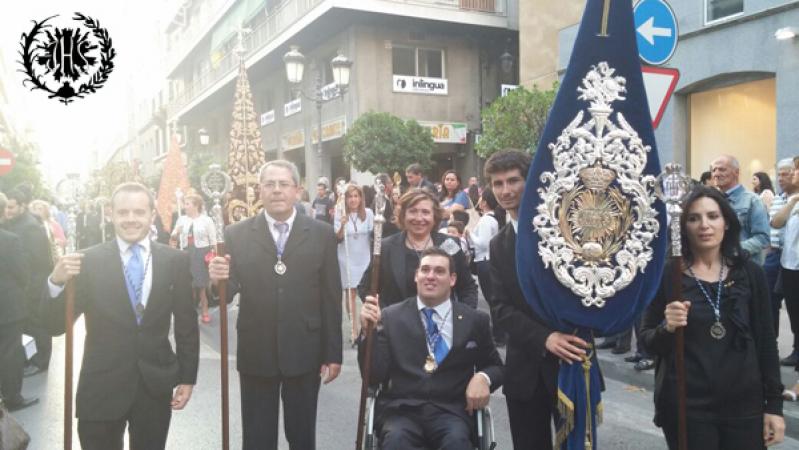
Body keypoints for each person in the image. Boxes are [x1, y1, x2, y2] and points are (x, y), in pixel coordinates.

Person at [41, 182, 199, 450]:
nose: (131, 219)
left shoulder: (176, 261)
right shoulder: (87, 261)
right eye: (123, 212)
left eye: (139, 212)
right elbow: (56, 326)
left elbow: (186, 324)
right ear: (110, 214)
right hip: (101, 385)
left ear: (152, 215)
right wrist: (56, 281)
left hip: (154, 385)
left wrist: (187, 376)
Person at [208, 160, 342, 450]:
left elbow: (331, 297)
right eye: (270, 184)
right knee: (257, 437)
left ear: (296, 189)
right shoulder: (236, 234)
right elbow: (225, 294)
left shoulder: (321, 233)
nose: (277, 190)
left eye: (284, 184)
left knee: (302, 434)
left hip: (305, 348)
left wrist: (333, 353)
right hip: (257, 349)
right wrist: (217, 278)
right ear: (260, 190)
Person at [640, 186, 784, 449]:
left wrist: (774, 406)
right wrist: (667, 328)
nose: (704, 225)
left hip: (745, 407)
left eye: (712, 216)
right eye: (693, 218)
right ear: (683, 227)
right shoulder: (668, 276)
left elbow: (766, 342)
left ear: (726, 222)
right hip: (688, 409)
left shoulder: (750, 274)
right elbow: (646, 343)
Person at [484, 149, 588, 449]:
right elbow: (500, 308)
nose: (506, 190)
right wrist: (545, 338)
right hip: (524, 373)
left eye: (513, 181)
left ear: (530, 181)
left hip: (572, 364)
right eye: (498, 183)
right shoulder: (498, 244)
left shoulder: (567, 231)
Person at [358, 247, 503, 450]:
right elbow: (373, 376)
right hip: (402, 412)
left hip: (452, 413)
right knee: (396, 441)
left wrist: (483, 378)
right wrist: (367, 334)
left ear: (452, 279)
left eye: (439, 271)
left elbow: (496, 366)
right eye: (425, 270)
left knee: (457, 443)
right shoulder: (391, 317)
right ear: (416, 276)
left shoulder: (474, 320)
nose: (431, 276)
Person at [358, 188, 478, 310]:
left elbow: (467, 287)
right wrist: (384, 314)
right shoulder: (386, 247)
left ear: (434, 216)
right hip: (398, 326)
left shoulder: (448, 244)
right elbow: (365, 287)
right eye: (413, 211)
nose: (419, 218)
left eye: (425, 212)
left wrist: (462, 319)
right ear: (403, 215)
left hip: (441, 326)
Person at [4, 187, 54, 377]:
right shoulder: (16, 224)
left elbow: (40, 260)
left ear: (22, 207)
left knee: (37, 323)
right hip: (25, 283)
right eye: (6, 207)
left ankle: (41, 361)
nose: (8, 211)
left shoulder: (30, 227)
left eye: (11, 207)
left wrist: (30, 283)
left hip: (34, 283)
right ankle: (31, 358)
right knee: (29, 324)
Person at [0, 192, 37, 411]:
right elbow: (23, 273)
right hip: (7, 306)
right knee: (9, 352)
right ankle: (12, 397)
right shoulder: (9, 240)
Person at [334, 184, 374, 344]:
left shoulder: (369, 213)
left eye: (356, 196)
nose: (353, 200)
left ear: (361, 198)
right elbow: (337, 237)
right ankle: (354, 329)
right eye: (350, 196)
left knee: (366, 292)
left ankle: (367, 324)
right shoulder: (340, 213)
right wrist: (343, 223)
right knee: (350, 292)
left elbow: (374, 233)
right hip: (347, 256)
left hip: (363, 256)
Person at [711, 155, 770, 264]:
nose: (716, 174)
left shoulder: (752, 201)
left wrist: (733, 249)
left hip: (743, 267)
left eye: (722, 169)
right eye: (714, 170)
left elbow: (763, 238)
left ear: (736, 172)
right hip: (716, 267)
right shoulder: (711, 201)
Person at [772, 158, 799, 390]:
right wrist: (793, 201)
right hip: (789, 265)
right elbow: (776, 222)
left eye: (793, 171)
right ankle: (797, 351)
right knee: (794, 311)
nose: (791, 175)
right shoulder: (790, 200)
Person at [172, 194, 217, 324]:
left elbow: (213, 239)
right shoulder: (181, 220)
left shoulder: (206, 220)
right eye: (185, 204)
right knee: (189, 285)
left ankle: (205, 310)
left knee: (201, 285)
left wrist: (214, 255)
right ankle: (191, 311)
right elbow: (173, 237)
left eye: (187, 204)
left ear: (196, 205)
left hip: (202, 252)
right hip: (186, 253)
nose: (184, 206)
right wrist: (176, 232)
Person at [767, 159, 796, 346]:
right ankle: (771, 342)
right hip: (776, 255)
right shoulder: (778, 198)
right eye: (779, 174)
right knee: (770, 300)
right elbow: (775, 222)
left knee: (795, 303)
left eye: (787, 174)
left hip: (794, 257)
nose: (781, 178)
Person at [465, 188, 500, 339]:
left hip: (485, 260)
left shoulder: (486, 220)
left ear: (484, 202)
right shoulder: (489, 218)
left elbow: (483, 244)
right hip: (486, 260)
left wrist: (469, 233)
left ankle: (499, 334)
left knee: (492, 299)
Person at [375, 173, 399, 237]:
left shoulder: (387, 198)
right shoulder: (380, 199)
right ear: (385, 185)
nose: (392, 185)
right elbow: (380, 222)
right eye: (390, 183)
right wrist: (393, 222)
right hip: (384, 236)